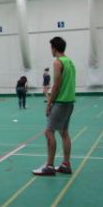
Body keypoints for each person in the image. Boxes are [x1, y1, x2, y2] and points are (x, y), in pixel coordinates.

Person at [33, 37, 76, 176]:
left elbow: (56, 85)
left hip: (61, 102)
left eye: (51, 48)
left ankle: (49, 166)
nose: (50, 50)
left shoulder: (58, 62)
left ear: (54, 48)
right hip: (70, 102)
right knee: (64, 132)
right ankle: (66, 164)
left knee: (49, 132)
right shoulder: (69, 61)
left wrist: (49, 103)